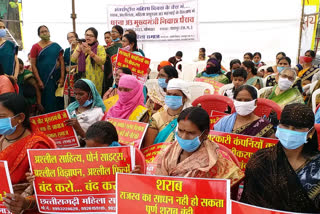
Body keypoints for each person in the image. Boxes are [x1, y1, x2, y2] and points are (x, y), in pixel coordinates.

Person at [240, 103, 320, 213]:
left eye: (297, 128)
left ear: (310, 132)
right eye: (285, 126)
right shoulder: (260, 161)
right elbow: (250, 205)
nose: (290, 131)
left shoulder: (317, 165)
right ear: (278, 125)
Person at [155, 107, 244, 185]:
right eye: (181, 130)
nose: (183, 137)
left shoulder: (216, 161)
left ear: (205, 134)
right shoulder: (168, 152)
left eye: (191, 133)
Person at [0, 93, 56, 214]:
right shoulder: (2, 138)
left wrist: (25, 202)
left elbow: (49, 190)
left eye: (1, 116)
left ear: (20, 117)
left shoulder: (38, 146)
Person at [144, 78, 192, 147]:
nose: (172, 97)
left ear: (185, 98)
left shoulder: (190, 118)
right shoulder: (156, 118)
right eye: (169, 94)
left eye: (176, 95)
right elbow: (148, 148)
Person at [30, 25, 65, 113]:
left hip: (56, 78)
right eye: (42, 32)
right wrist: (39, 80)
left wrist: (62, 77)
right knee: (46, 102)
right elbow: (33, 65)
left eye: (46, 31)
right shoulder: (35, 47)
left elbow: (62, 62)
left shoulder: (56, 46)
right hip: (42, 78)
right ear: (39, 34)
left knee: (57, 101)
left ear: (49, 32)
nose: (45, 33)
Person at [71, 27, 106, 95]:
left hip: (95, 79)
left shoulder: (100, 48)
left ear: (96, 38)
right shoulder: (80, 46)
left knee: (94, 99)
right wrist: (79, 49)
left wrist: (90, 52)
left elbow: (102, 61)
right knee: (82, 99)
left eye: (91, 36)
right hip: (82, 78)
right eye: (87, 35)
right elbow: (73, 59)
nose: (88, 37)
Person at [102, 25, 123, 95]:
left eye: (115, 32)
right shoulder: (109, 45)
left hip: (116, 71)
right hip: (107, 70)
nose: (113, 33)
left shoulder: (121, 45)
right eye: (112, 31)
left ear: (120, 35)